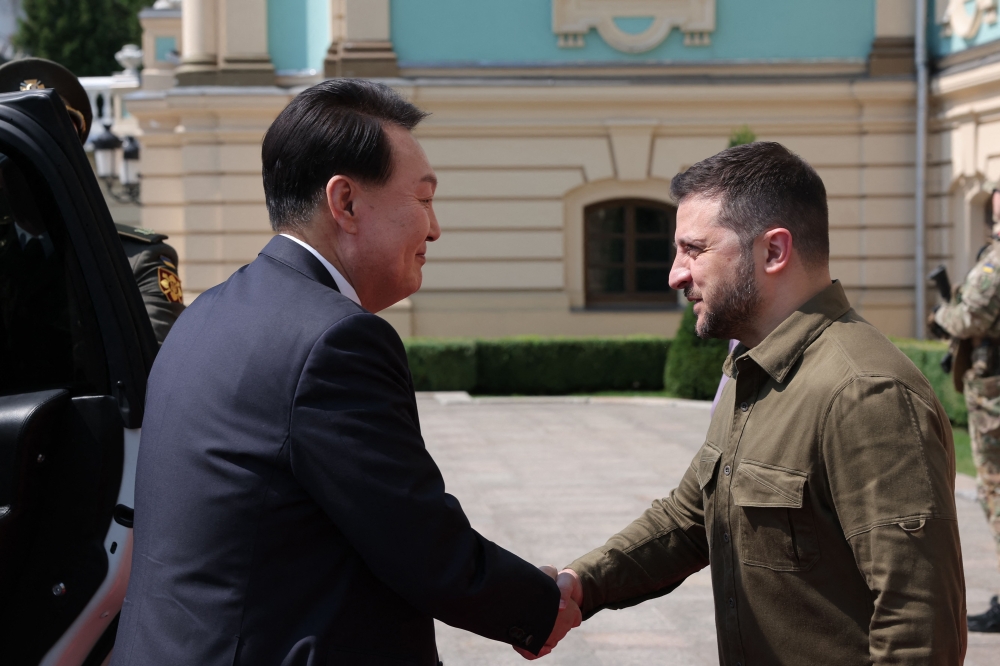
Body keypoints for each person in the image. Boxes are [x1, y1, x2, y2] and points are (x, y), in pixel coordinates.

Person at [110, 79, 579, 666]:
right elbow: (419, 543)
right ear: (347, 203)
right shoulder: (336, 338)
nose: (435, 229)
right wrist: (539, 604)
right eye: (424, 200)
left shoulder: (209, 311)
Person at [550, 142, 967, 664]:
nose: (676, 274)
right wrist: (579, 583)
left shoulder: (864, 391)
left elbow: (918, 622)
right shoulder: (755, 366)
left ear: (773, 251)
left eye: (695, 249)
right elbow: (691, 520)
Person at [0, 57, 184, 344]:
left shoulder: (135, 260)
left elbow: (155, 366)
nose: (28, 172)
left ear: (73, 164)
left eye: (49, 151)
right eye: (15, 154)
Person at [933, 185, 1000, 633]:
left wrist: (942, 314)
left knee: (995, 493)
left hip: (993, 399)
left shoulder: (995, 264)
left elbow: (969, 318)